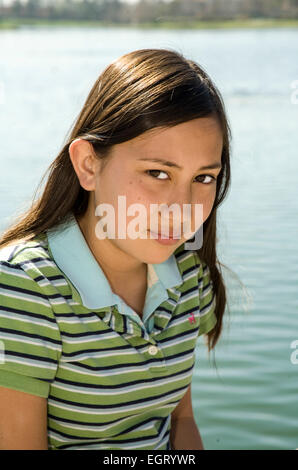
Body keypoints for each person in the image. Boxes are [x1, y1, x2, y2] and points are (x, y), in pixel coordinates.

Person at [0, 48, 231, 450]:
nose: (183, 209)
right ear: (89, 164)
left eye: (204, 177)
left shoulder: (190, 275)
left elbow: (181, 421)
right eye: (158, 173)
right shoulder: (23, 288)